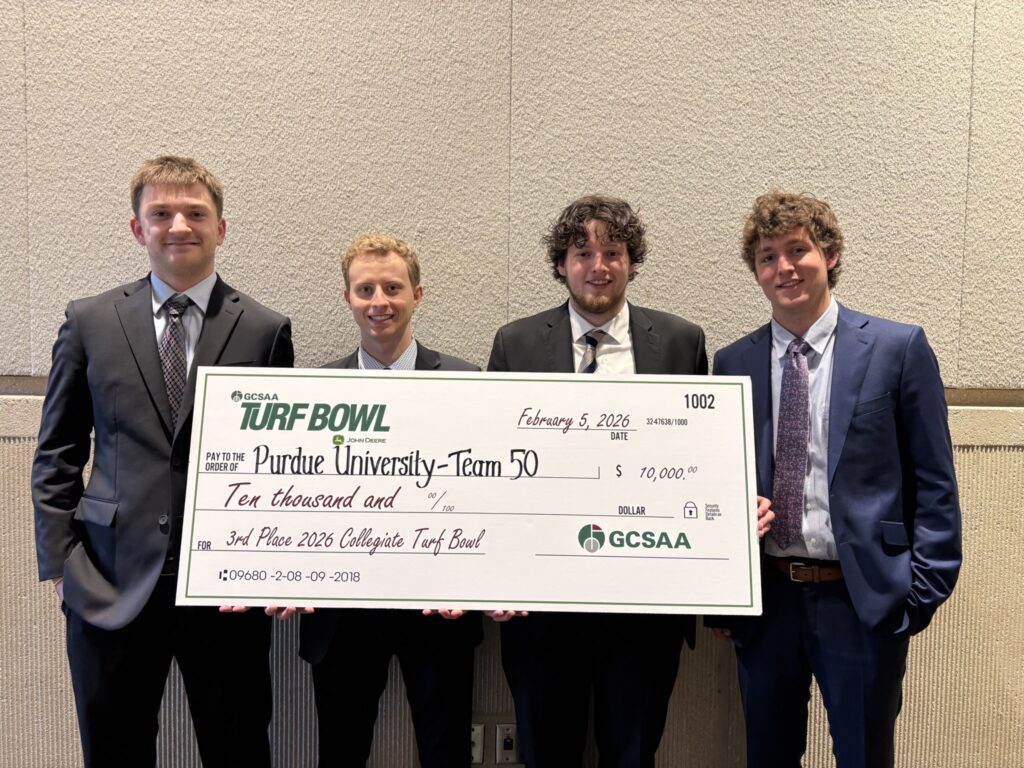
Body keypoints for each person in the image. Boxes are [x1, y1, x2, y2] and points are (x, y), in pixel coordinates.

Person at [32, 155, 293, 766]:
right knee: (114, 752)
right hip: (108, 581)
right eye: (161, 213)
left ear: (221, 228)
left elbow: (282, 464)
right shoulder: (89, 321)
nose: (179, 225)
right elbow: (57, 449)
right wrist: (59, 562)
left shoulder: (265, 328)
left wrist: (276, 568)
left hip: (225, 591)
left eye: (195, 213)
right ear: (137, 228)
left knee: (238, 749)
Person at [711, 191, 961, 768]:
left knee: (863, 755)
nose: (784, 267)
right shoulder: (733, 363)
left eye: (798, 249)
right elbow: (717, 484)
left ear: (829, 253)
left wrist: (915, 596)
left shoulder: (898, 349)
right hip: (768, 601)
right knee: (767, 756)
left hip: (862, 599)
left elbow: (936, 486)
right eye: (768, 256)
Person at [486, 195, 709, 767]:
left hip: (643, 605)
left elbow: (699, 460)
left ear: (633, 262)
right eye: (582, 252)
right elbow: (494, 468)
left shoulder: (683, 343)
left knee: (632, 755)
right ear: (561, 263)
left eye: (613, 251)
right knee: (545, 754)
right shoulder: (515, 344)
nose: (598, 265)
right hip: (542, 606)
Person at [295, 234, 482, 767]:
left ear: (417, 294)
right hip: (343, 613)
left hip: (438, 607)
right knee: (340, 751)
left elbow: (485, 496)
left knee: (447, 753)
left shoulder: (469, 383)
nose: (380, 300)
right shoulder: (316, 391)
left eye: (393, 288)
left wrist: (477, 582)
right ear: (348, 298)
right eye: (366, 289)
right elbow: (298, 500)